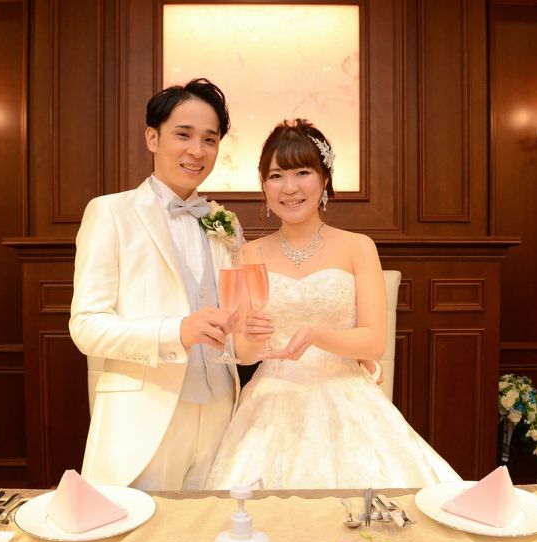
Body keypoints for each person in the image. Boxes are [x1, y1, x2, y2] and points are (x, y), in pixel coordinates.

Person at [206, 119, 462, 489]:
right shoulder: (250, 253)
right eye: (276, 176)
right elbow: (245, 355)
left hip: (347, 396)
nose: (289, 187)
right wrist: (252, 336)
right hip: (272, 399)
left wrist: (316, 335)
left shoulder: (358, 246)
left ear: (324, 179)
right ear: (264, 185)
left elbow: (373, 342)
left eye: (302, 172)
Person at [69, 78, 241, 491]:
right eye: (183, 135)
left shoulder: (226, 224)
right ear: (152, 138)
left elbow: (239, 315)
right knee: (139, 530)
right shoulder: (110, 213)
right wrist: (175, 331)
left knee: (212, 531)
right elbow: (86, 327)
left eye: (209, 139)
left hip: (221, 413)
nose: (197, 151)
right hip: (143, 419)